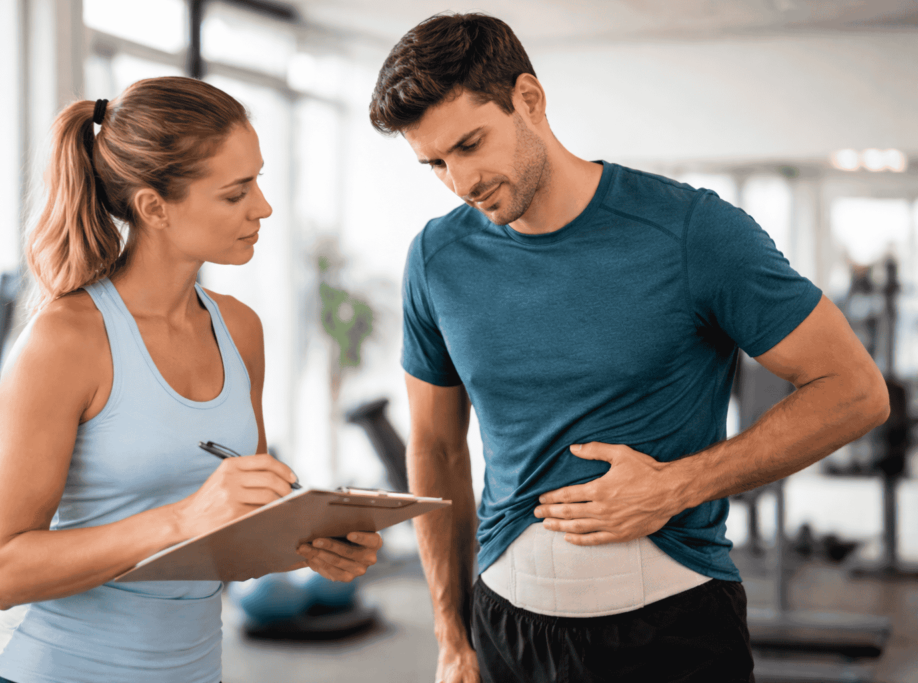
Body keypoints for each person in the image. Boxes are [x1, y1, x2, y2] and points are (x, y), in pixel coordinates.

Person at [369, 13, 889, 683]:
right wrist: (450, 632)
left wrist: (677, 485)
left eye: (470, 144)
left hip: (672, 629)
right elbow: (435, 448)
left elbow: (855, 390)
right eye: (435, 163)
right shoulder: (437, 258)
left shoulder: (692, 230)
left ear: (529, 99)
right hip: (507, 630)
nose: (460, 181)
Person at [0, 77, 382, 683]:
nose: (262, 207)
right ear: (154, 207)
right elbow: (2, 572)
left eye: (259, 182)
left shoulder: (240, 330)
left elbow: (229, 542)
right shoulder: (67, 340)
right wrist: (184, 519)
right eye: (236, 192)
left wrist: (309, 539)